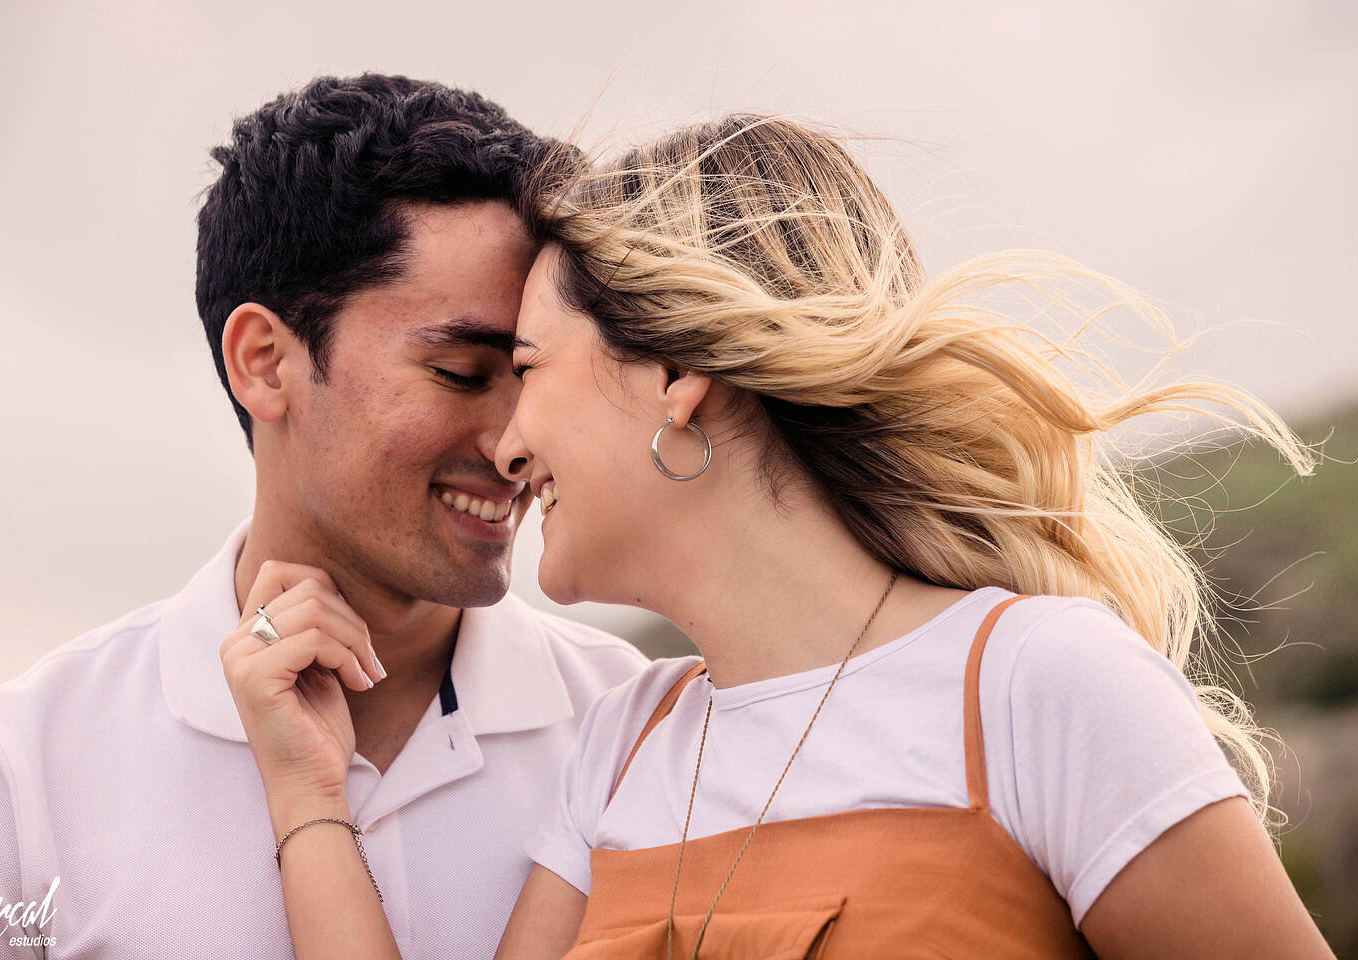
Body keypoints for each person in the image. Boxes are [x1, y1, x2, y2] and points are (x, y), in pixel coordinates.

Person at [221, 114, 1338, 958]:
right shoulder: (625, 747)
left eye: (524, 371)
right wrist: (311, 797)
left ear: (676, 372)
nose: (508, 445)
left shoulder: (1036, 686)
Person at [0, 74, 649, 959]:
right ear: (265, 362)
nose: (516, 442)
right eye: (462, 372)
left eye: (532, 375)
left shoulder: (645, 738)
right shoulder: (7, 786)